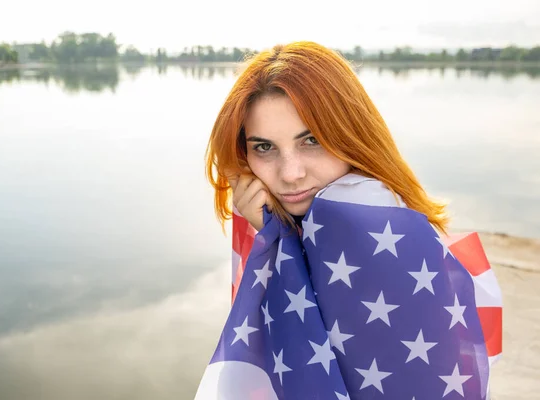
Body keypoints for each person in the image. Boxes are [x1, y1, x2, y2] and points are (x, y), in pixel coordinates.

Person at [196, 41, 501, 400]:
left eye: (311, 140)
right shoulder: (377, 208)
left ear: (351, 133)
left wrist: (271, 233)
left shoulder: (355, 213)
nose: (291, 174)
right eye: (264, 147)